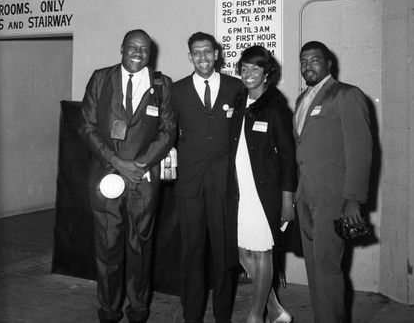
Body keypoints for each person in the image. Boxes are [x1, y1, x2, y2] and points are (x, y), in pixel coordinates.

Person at [79, 29, 176, 323]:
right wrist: (117, 162)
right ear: (121, 48)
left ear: (151, 53)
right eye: (132, 47)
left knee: (141, 248)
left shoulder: (162, 85)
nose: (138, 52)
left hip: (143, 182)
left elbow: (168, 131)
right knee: (107, 246)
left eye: (144, 49)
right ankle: (109, 310)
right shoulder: (100, 78)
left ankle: (138, 310)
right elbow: (86, 127)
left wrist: (141, 165)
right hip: (106, 179)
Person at [294, 41, 372, 323]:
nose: (307, 66)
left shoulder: (346, 94)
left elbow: (361, 150)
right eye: (303, 61)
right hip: (305, 196)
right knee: (315, 271)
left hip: (333, 198)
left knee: (327, 269)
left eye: (314, 60)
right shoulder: (303, 99)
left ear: (329, 64)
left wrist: (354, 199)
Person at [172, 31, 243, 323]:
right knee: (191, 253)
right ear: (190, 57)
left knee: (225, 254)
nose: (202, 57)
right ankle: (192, 316)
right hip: (189, 185)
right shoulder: (175, 91)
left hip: (225, 184)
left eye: (207, 52)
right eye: (196, 53)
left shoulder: (236, 87)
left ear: (217, 53)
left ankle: (222, 316)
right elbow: (166, 133)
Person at [226, 45, 297, 323]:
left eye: (255, 68)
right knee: (243, 252)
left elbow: (289, 158)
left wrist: (287, 200)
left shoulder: (276, 108)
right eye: (244, 68)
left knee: (262, 252)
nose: (248, 74)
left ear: (267, 72)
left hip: (264, 192)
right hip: (240, 190)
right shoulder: (239, 100)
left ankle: (256, 316)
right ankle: (275, 310)